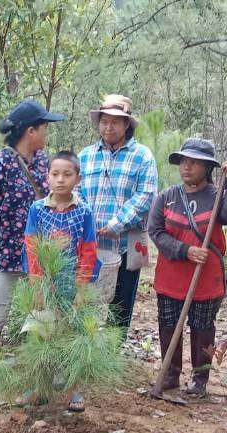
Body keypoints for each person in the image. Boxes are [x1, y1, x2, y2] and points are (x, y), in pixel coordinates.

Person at [0, 99, 64, 384]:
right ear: (30, 131)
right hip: (3, 256)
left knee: (42, 310)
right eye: (44, 128)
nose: (47, 134)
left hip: (39, 255)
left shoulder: (46, 165)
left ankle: (38, 368)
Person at [147, 138, 227, 398]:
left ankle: (200, 379)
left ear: (207, 167)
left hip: (205, 278)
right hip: (170, 276)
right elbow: (155, 231)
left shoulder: (217, 197)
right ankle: (170, 374)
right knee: (168, 324)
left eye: (194, 162)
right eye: (184, 161)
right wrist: (185, 250)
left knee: (203, 328)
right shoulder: (167, 197)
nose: (187, 167)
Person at [23, 150, 98, 411]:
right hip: (45, 283)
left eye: (67, 174)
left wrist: (81, 288)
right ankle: (39, 387)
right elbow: (32, 248)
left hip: (72, 284)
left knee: (72, 335)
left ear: (77, 178)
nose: (60, 180)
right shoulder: (37, 209)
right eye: (55, 174)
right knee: (42, 333)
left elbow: (89, 251)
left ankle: (73, 390)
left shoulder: (84, 212)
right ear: (47, 177)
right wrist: (37, 285)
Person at [78, 94, 158, 333]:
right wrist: (86, 222)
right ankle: (86, 351)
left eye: (115, 121)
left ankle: (114, 352)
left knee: (121, 304)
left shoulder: (142, 156)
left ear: (127, 125)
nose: (108, 127)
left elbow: (146, 195)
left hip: (125, 243)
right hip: (89, 245)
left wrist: (117, 223)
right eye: (104, 121)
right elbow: (75, 190)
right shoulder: (85, 156)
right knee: (85, 302)